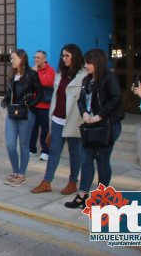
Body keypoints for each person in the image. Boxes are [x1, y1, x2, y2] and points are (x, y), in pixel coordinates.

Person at [66, 49, 124, 209]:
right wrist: (84, 113)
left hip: (107, 126)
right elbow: (81, 100)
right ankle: (82, 195)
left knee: (102, 161)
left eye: (89, 63)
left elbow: (116, 98)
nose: (86, 66)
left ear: (97, 63)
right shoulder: (86, 80)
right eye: (85, 63)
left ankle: (102, 197)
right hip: (89, 126)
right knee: (86, 160)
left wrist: (100, 115)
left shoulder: (109, 78)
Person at [31, 45, 87, 195]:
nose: (64, 58)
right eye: (63, 56)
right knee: (54, 150)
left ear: (75, 56)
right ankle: (46, 182)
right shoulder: (61, 74)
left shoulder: (83, 75)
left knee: (75, 152)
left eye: (67, 55)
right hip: (57, 118)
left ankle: (72, 182)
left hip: (73, 120)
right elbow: (56, 96)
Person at [1, 49, 42, 187]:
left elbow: (40, 93)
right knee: (10, 145)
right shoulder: (12, 75)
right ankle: (15, 172)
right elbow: (10, 93)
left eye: (14, 58)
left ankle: (22, 175)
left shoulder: (32, 75)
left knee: (24, 145)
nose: (11, 60)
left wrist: (30, 106)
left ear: (22, 59)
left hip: (26, 114)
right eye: (11, 58)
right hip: (12, 113)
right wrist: (5, 100)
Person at [30, 50, 55, 160]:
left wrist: (34, 74)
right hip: (33, 104)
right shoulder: (33, 70)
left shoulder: (50, 70)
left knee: (44, 129)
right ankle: (32, 149)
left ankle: (45, 151)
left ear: (44, 59)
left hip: (44, 106)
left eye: (38, 57)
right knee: (32, 128)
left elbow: (47, 82)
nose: (35, 59)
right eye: (35, 57)